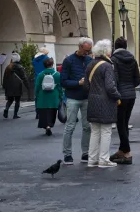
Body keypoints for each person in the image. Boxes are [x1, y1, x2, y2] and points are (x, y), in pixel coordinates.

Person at [85, 39, 122, 168]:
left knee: (95, 131)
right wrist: (118, 96)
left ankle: (92, 159)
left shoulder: (90, 64)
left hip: (93, 101)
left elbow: (85, 85)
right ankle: (103, 160)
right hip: (106, 102)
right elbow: (110, 87)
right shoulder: (107, 66)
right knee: (106, 131)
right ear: (106, 51)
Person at [60, 37, 94, 165]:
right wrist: (77, 83)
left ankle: (85, 153)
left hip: (86, 98)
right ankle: (67, 154)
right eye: (86, 50)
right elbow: (63, 81)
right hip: (72, 98)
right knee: (70, 127)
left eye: (89, 50)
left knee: (87, 127)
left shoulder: (90, 60)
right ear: (80, 47)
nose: (87, 53)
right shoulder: (68, 61)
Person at [110, 37, 140, 165]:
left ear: (115, 47)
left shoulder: (114, 60)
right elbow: (137, 79)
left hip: (120, 95)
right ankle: (122, 150)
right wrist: (130, 86)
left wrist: (117, 91)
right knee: (125, 122)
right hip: (131, 95)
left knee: (120, 123)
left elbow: (115, 78)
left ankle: (127, 151)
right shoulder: (132, 59)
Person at [34, 57, 63, 136]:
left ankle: (46, 126)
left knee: (43, 113)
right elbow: (60, 87)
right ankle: (50, 125)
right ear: (52, 64)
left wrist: (36, 95)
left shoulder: (40, 75)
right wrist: (61, 95)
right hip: (54, 97)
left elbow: (37, 86)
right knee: (52, 113)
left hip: (42, 97)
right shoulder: (57, 74)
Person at [2, 52, 28, 119]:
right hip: (17, 86)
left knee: (10, 100)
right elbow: (24, 77)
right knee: (17, 100)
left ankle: (6, 109)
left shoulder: (8, 67)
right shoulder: (20, 67)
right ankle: (15, 114)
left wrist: (4, 86)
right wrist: (27, 85)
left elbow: (5, 77)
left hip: (9, 86)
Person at [32, 47, 50, 119]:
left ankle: (38, 112)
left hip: (37, 78)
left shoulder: (34, 59)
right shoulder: (46, 58)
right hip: (45, 78)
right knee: (46, 96)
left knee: (38, 96)